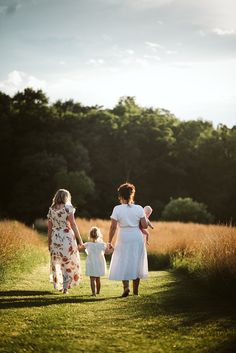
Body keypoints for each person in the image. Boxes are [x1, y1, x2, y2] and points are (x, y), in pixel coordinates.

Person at [108, 182, 148, 297]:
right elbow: (144, 226)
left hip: (123, 237)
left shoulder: (117, 209)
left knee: (123, 261)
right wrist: (143, 216)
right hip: (136, 237)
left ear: (120, 196)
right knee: (136, 261)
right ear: (132, 195)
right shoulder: (139, 208)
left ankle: (126, 287)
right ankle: (136, 292)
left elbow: (113, 227)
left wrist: (109, 241)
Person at [47, 189, 83, 294]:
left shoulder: (51, 209)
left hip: (55, 238)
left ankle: (60, 285)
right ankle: (65, 288)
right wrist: (80, 240)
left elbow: (49, 228)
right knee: (67, 262)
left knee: (58, 262)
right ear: (66, 197)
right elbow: (73, 224)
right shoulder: (68, 208)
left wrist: (49, 242)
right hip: (66, 237)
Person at [81, 226, 109, 296]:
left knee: (92, 279)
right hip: (99, 263)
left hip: (91, 263)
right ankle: (98, 292)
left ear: (90, 235)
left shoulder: (87, 244)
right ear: (98, 235)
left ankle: (93, 293)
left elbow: (80, 248)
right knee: (98, 278)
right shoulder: (102, 245)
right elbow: (108, 251)